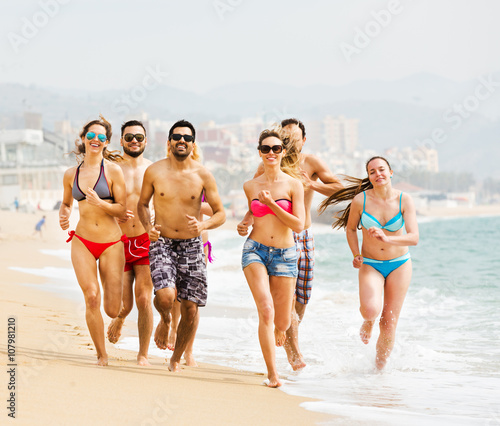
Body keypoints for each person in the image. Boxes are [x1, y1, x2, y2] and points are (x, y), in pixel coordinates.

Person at [240, 118, 343, 371]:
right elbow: (256, 201)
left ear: (303, 140)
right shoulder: (268, 162)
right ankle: (294, 354)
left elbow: (340, 188)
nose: (288, 141)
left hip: (303, 234)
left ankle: (285, 332)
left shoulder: (311, 163)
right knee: (274, 302)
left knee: (302, 297)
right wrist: (247, 220)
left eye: (293, 137)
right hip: (271, 238)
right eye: (284, 136)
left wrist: (314, 185)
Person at [137, 119, 226, 372]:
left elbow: (220, 213)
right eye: (177, 137)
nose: (181, 141)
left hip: (192, 245)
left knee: (190, 308)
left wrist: (203, 227)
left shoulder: (203, 174)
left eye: (187, 138)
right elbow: (142, 204)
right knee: (165, 297)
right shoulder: (154, 171)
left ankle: (176, 358)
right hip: (162, 242)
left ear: (193, 143)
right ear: (169, 142)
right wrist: (147, 227)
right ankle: (165, 320)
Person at [319, 156, 419, 369]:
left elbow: (414, 237)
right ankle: (368, 321)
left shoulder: (404, 200)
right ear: (369, 176)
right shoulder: (361, 200)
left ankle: (379, 370)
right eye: (372, 171)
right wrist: (356, 253)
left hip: (400, 264)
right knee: (371, 310)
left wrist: (387, 238)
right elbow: (350, 228)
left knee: (389, 322)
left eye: (381, 170)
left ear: (391, 172)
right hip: (371, 263)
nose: (377, 174)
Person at [237, 128, 305, 387]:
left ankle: (280, 328)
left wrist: (273, 203)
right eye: (266, 148)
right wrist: (244, 223)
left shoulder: (293, 185)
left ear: (283, 152)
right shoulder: (250, 185)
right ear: (260, 152)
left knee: (283, 321)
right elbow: (253, 212)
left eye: (276, 148)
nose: (271, 153)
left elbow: (298, 225)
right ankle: (273, 375)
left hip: (286, 254)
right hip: (255, 249)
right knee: (265, 310)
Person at [59, 116, 127, 367]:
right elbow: (66, 203)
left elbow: (122, 209)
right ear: (83, 139)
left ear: (107, 142)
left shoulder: (113, 171)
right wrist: (64, 214)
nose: (95, 140)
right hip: (83, 240)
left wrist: (100, 203)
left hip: (111, 243)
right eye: (91, 136)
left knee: (111, 308)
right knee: (91, 296)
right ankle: (102, 355)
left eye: (100, 137)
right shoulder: (70, 174)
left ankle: (118, 317)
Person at [106, 120, 154, 366]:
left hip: (146, 240)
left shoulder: (153, 170)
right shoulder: (112, 169)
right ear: (122, 141)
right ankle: (120, 319)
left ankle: (143, 353)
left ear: (146, 141)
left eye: (139, 136)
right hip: (119, 242)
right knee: (123, 306)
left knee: (145, 299)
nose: (134, 140)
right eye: (129, 137)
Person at [167, 144, 214, 367]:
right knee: (172, 294)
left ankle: (188, 351)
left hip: (198, 241)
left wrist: (193, 206)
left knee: (191, 299)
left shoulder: (202, 174)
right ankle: (172, 330)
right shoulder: (165, 171)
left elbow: (215, 210)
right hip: (169, 239)